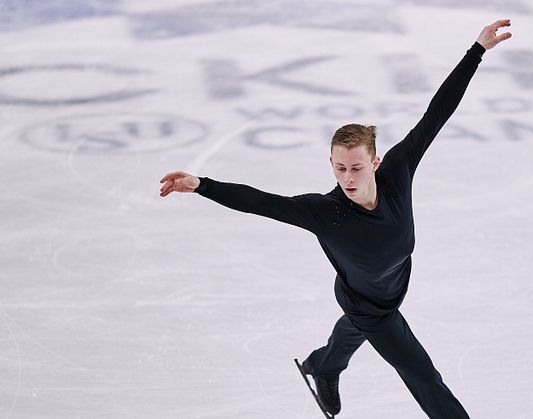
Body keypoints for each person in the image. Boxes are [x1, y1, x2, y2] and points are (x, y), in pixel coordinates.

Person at [160, 18, 512, 418]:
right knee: (423, 375)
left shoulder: (397, 170)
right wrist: (202, 184)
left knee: (352, 329)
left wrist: (476, 51)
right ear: (331, 163)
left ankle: (323, 366)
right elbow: (260, 201)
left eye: (357, 168)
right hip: (371, 305)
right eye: (340, 168)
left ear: (375, 163)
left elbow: (437, 112)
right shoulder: (324, 212)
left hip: (386, 284)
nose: (348, 177)